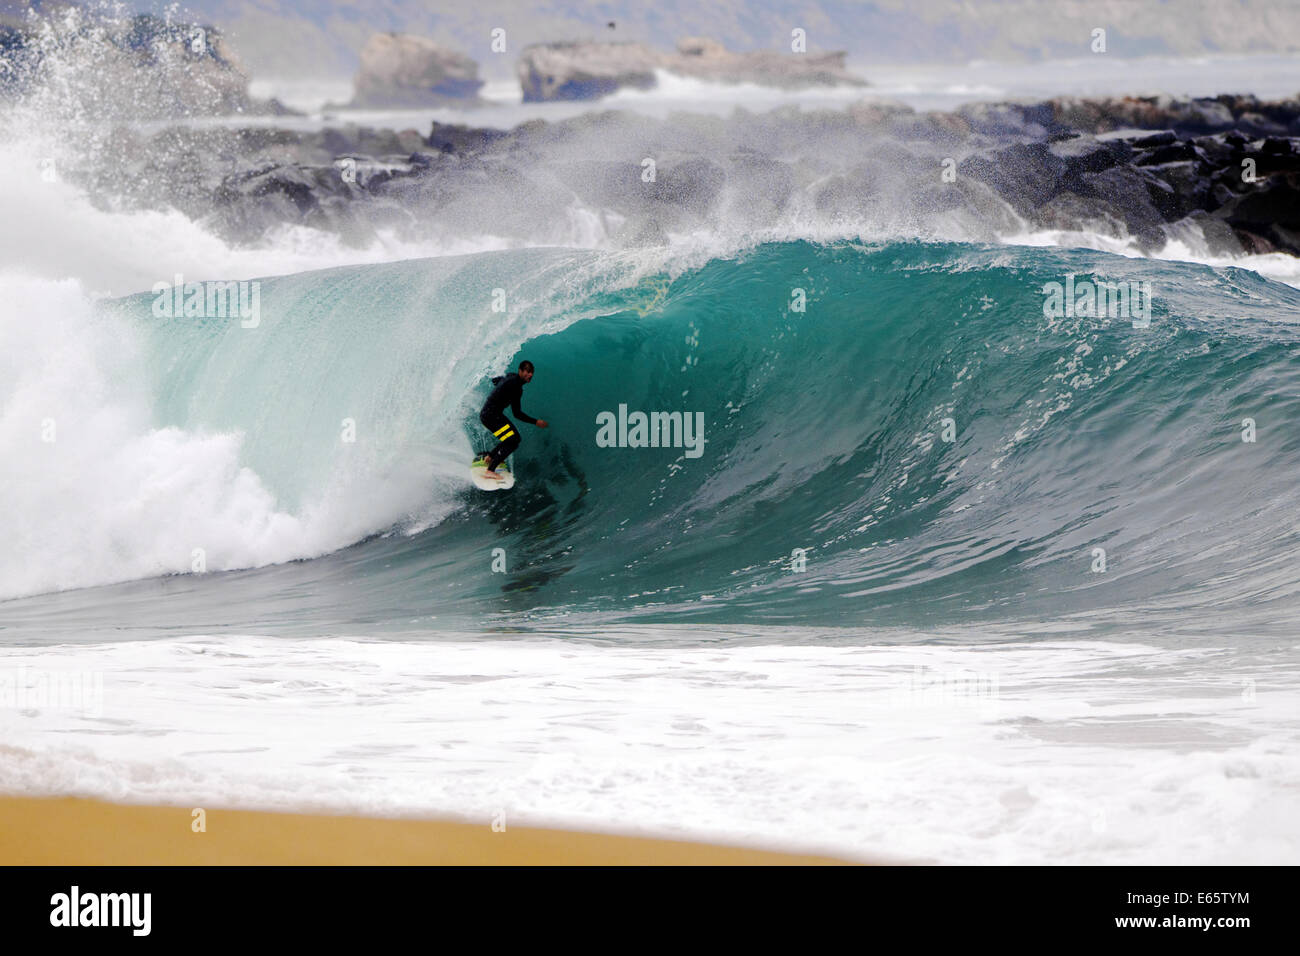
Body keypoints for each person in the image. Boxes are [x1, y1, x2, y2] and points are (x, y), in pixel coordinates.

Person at [478, 360, 547, 479]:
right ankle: (490, 470)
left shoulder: (511, 377)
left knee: (512, 438)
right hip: (491, 416)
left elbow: (497, 380)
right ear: (520, 371)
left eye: (531, 372)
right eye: (527, 371)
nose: (530, 375)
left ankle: (490, 457)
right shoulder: (516, 387)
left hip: (491, 414)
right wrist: (536, 422)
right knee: (513, 441)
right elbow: (517, 414)